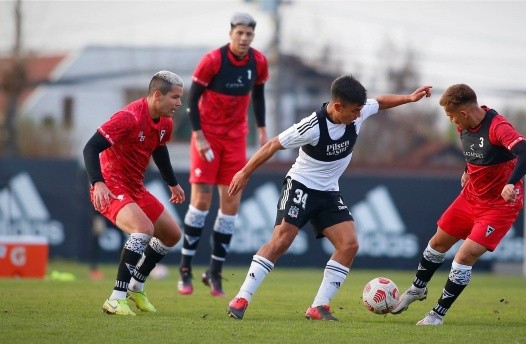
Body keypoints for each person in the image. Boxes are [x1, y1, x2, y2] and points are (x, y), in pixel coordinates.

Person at [225, 75, 432, 321]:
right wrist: (244, 172)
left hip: (329, 191)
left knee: (349, 245)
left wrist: (409, 98)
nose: (359, 115)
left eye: (360, 110)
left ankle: (318, 307)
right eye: (354, 111)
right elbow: (272, 145)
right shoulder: (311, 126)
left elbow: (381, 102)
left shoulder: (358, 111)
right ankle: (242, 297)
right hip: (301, 185)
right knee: (282, 239)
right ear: (337, 107)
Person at [391, 84, 526, 325]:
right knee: (437, 242)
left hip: (499, 206)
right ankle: (418, 289)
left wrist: (511, 183)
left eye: (451, 115)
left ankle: (437, 314)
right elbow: (475, 152)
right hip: (471, 197)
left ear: (465, 113)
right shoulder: (463, 125)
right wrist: (467, 171)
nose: (450, 121)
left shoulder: (498, 127)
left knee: (463, 256)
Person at [177, 12, 269, 297]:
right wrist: (198, 135)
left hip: (235, 141)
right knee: (201, 203)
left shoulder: (259, 62)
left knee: (230, 207)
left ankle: (214, 272)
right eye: (239, 33)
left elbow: (258, 95)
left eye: (249, 34)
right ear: (230, 33)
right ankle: (185, 268)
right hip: (207, 137)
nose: (244, 39)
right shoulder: (212, 60)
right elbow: (191, 99)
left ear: (253, 36)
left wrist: (262, 129)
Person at [83, 70, 186, 316]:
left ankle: (135, 286)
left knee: (172, 235)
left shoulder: (166, 123)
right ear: (157, 95)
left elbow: (159, 149)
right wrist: (98, 183)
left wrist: (172, 182)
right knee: (143, 230)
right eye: (175, 97)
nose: (179, 103)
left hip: (135, 187)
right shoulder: (129, 117)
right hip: (110, 187)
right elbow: (91, 147)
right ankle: (116, 298)